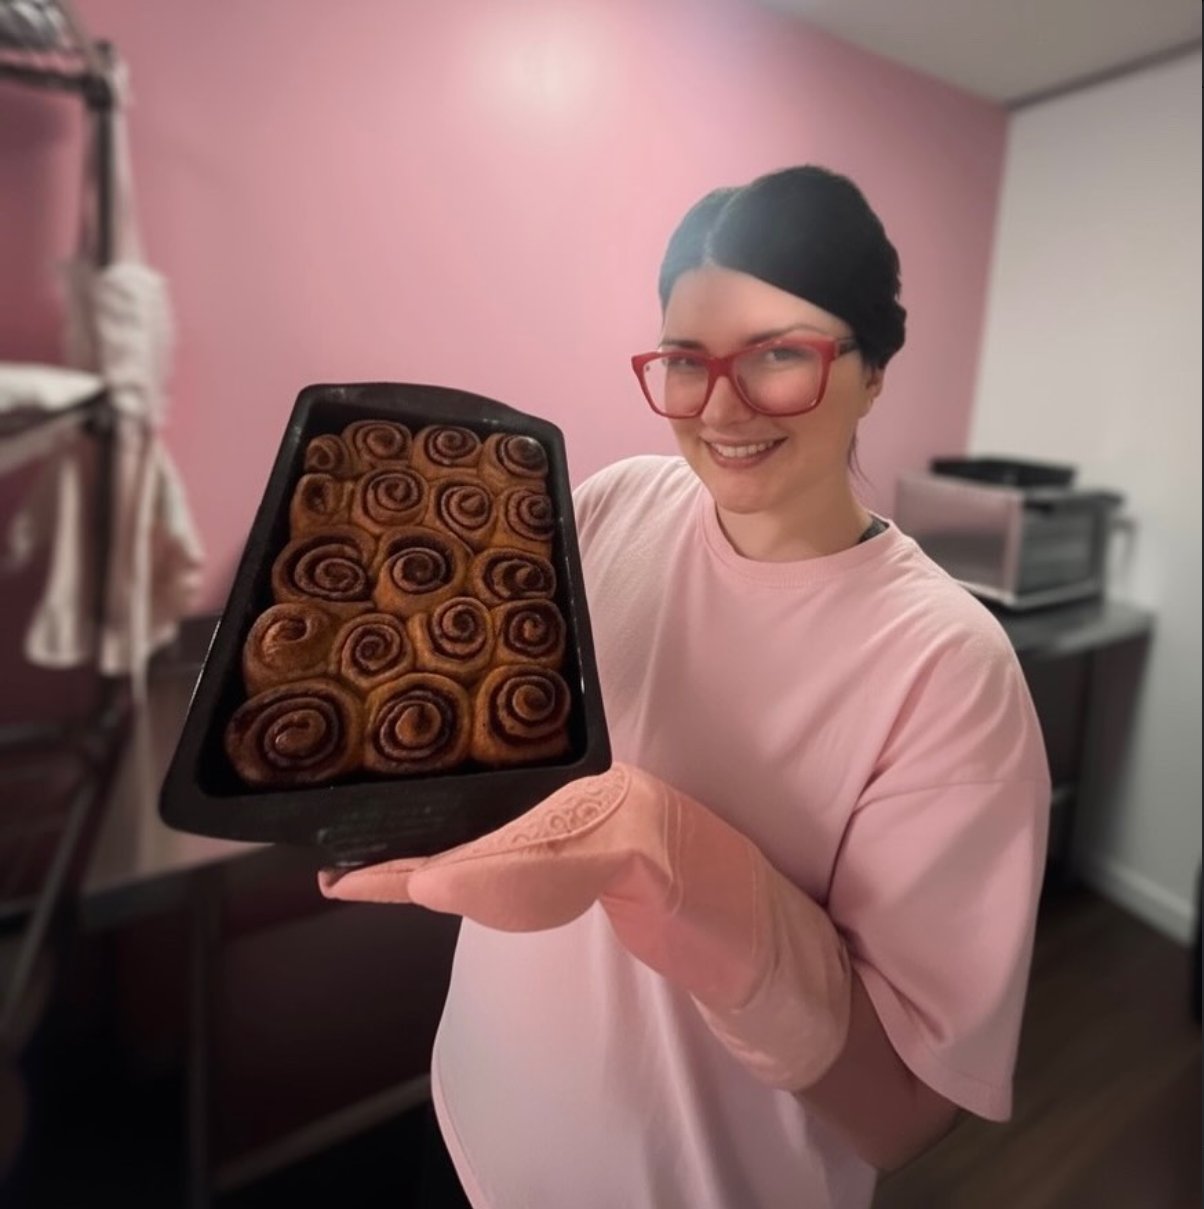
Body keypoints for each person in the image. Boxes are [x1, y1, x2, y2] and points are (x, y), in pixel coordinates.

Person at [320, 165, 1051, 1209]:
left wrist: (676, 865)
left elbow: (902, 1115)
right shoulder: (615, 502)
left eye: (780, 355)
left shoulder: (945, 670)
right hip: (475, 1126)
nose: (721, 406)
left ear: (874, 368)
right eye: (683, 361)